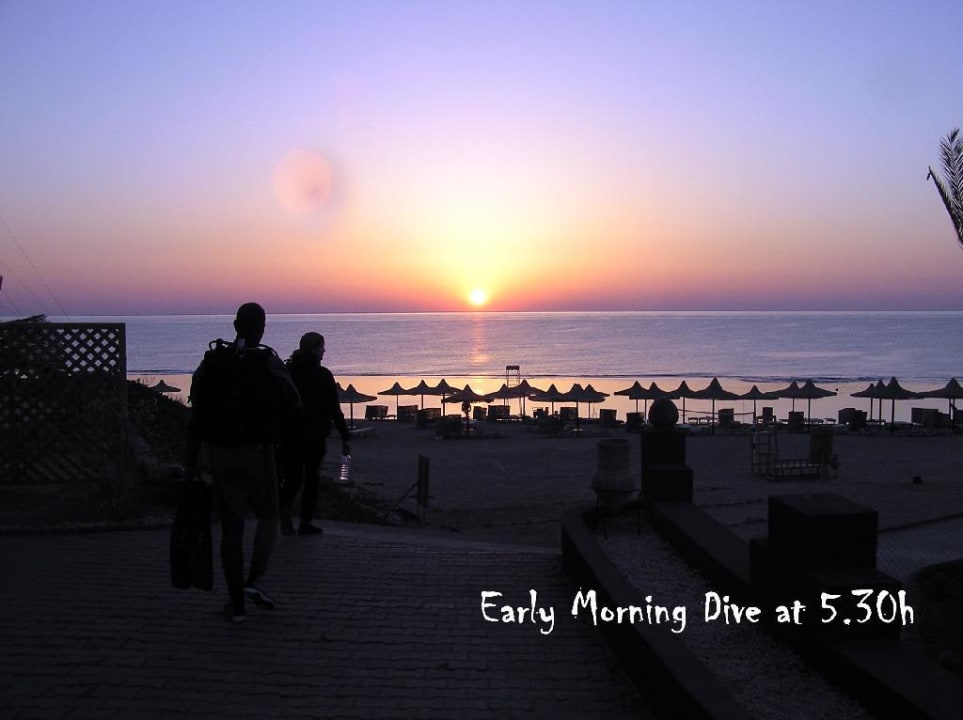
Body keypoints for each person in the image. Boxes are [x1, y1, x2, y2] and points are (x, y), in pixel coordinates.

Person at [184, 302, 302, 622]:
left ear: (235, 325)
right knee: (269, 515)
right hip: (257, 452)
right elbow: (294, 404)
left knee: (231, 528)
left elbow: (196, 414)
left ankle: (235, 604)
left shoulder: (211, 361)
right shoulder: (269, 361)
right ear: (262, 328)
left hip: (219, 454)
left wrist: (190, 460)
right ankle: (255, 580)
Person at [279, 331, 351, 536]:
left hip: (290, 434)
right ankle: (304, 521)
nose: (324, 351)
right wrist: (345, 435)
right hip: (314, 435)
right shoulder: (323, 375)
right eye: (321, 347)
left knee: (292, 477)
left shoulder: (287, 371)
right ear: (313, 349)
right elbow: (334, 408)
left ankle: (285, 513)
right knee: (311, 478)